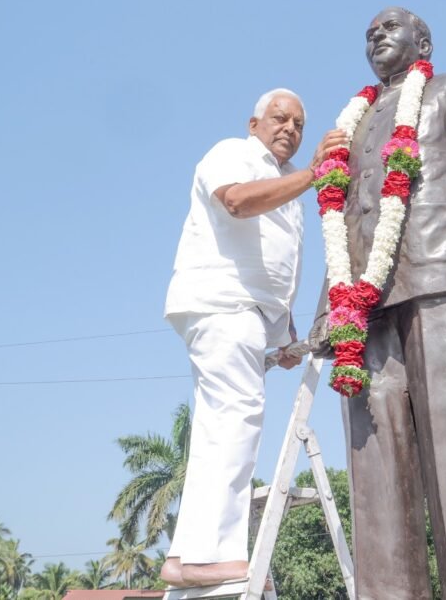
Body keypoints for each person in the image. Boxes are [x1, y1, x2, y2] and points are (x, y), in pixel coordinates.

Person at [311, 7, 446, 600]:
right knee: (378, 475)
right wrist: (330, 310)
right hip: (367, 310)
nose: (377, 36)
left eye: (389, 28)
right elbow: (342, 215)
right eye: (369, 34)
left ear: (422, 40)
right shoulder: (349, 128)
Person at [160, 89, 346, 588]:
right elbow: (238, 203)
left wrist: (282, 337)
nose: (290, 128)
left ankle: (185, 557)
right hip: (222, 304)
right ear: (254, 122)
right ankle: (209, 554)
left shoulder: (286, 187)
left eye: (300, 124)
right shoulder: (232, 154)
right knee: (237, 418)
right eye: (280, 118)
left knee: (218, 426)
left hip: (244, 315)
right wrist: (313, 174)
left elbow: (274, 270)